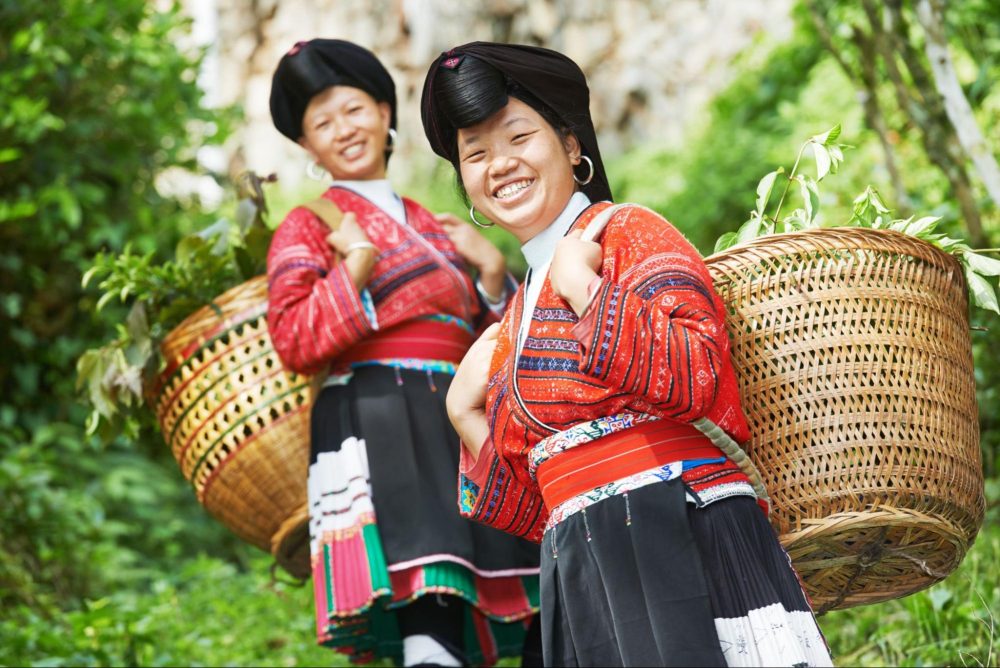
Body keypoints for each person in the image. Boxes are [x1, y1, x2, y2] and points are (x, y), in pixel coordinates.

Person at [420, 41, 834, 667]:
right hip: (586, 567)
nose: (499, 164)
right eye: (475, 153)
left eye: (518, 138)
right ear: (469, 191)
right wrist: (465, 413)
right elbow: (542, 509)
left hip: (682, 530)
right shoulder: (513, 322)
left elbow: (699, 372)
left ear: (571, 145)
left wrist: (587, 291)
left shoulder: (628, 232)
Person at [266, 39, 541, 667]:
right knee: (429, 590)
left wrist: (493, 278)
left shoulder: (439, 225)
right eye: (322, 123)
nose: (344, 129)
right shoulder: (309, 225)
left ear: (386, 112)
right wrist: (355, 267)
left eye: (354, 109)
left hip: (460, 413)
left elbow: (500, 352)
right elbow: (293, 340)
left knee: (527, 583)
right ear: (307, 147)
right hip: (376, 416)